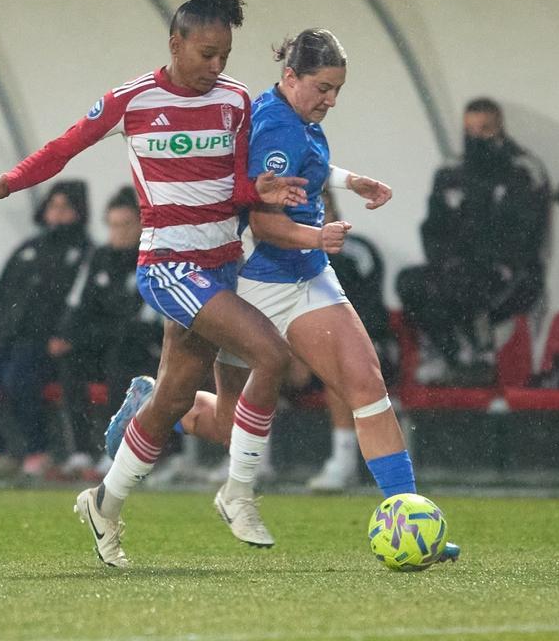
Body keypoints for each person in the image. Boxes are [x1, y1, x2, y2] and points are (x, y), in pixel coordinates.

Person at [0, 0, 307, 568]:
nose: (215, 65)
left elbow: (234, 189)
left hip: (223, 266)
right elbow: (66, 146)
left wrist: (259, 188)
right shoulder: (134, 100)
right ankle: (238, 493)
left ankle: (105, 504)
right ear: (175, 43)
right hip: (169, 266)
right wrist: (5, 184)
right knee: (272, 354)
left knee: (178, 401)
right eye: (205, 54)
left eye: (224, 55)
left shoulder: (237, 101)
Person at [107, 28, 458, 562]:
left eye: (338, 89)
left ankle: (409, 521)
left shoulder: (298, 119)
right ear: (290, 77)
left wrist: (349, 180)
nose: (331, 100)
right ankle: (154, 406)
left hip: (307, 274)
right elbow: (265, 222)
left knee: (365, 383)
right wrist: (318, 234)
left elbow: (304, 167)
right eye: (323, 87)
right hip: (250, 284)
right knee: (229, 427)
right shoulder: (271, 120)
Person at [396, 97, 550, 384]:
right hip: (457, 269)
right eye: (470, 129)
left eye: (484, 129)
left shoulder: (523, 169)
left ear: (500, 128)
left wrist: (484, 257)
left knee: (467, 280)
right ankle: (454, 356)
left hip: (511, 273)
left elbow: (525, 233)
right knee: (410, 281)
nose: (476, 137)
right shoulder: (450, 171)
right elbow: (433, 227)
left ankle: (481, 354)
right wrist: (446, 259)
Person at [0, 180, 93, 480]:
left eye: (65, 208)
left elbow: (83, 303)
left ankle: (37, 451)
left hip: (46, 345)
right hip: (5, 341)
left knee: (19, 378)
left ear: (79, 212)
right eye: (53, 206)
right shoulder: (28, 249)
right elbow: (1, 295)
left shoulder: (86, 253)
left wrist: (64, 335)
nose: (57, 214)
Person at [48, 185, 163, 478]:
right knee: (70, 362)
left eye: (125, 225)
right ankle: (81, 452)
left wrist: (87, 336)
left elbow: (142, 325)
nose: (118, 233)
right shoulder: (98, 258)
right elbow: (78, 305)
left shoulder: (153, 260)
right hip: (101, 344)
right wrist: (67, 337)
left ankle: (118, 452)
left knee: (119, 362)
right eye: (112, 225)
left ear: (141, 225)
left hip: (144, 352)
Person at [298, 186, 398, 492]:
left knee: (336, 358)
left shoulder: (356, 253)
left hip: (370, 348)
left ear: (334, 212)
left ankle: (343, 463)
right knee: (256, 354)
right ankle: (249, 460)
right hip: (304, 353)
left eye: (320, 209)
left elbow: (369, 318)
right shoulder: (290, 256)